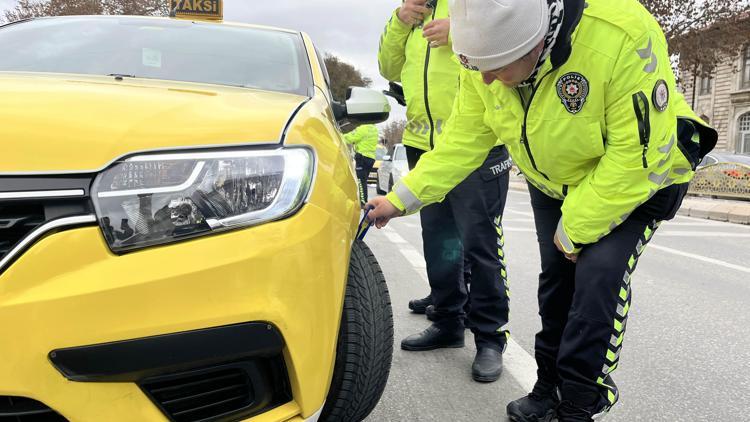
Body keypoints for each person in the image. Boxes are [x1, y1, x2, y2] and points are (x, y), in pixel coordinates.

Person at [367, 0, 717, 420]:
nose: (487, 79)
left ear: (537, 45)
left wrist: (575, 228)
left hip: (642, 175)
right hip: (555, 178)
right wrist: (399, 199)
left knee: (596, 279)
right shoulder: (481, 55)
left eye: (497, 66)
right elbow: (462, 142)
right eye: (477, 66)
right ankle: (548, 384)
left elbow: (636, 156)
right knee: (556, 282)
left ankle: (578, 404)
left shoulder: (621, 34)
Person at [378, 0, 513, 382]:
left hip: (477, 143)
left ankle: (490, 337)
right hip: (425, 144)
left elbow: (506, 44)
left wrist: (458, 32)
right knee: (439, 241)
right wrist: (399, 22)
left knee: (481, 245)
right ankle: (448, 321)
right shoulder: (412, 10)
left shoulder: (472, 5)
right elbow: (389, 68)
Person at [343, 123, 379, 205]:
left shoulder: (363, 128)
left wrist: (340, 135)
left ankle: (363, 203)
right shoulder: (374, 129)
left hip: (362, 157)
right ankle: (363, 201)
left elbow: (351, 138)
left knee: (360, 181)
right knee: (364, 181)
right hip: (371, 158)